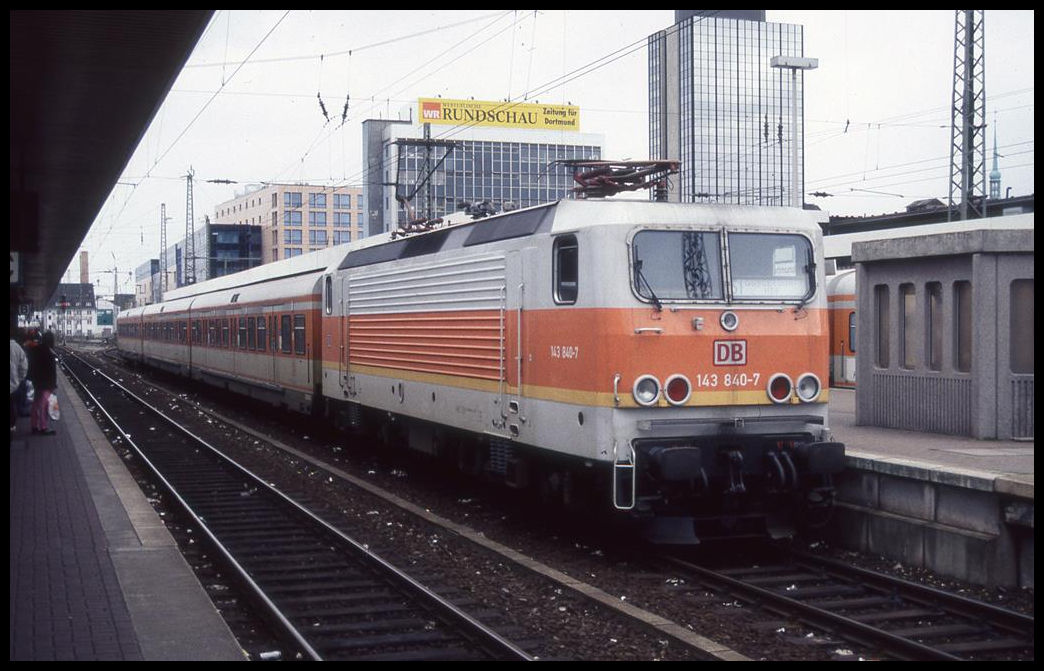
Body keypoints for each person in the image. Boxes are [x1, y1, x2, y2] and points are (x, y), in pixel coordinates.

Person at [28, 331, 58, 436]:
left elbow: (31, 366)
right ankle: (43, 427)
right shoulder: (49, 352)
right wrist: (53, 385)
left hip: (37, 382)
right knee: (43, 405)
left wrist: (31, 378)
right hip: (46, 383)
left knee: (36, 404)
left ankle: (34, 426)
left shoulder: (36, 350)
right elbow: (51, 371)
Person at [10, 327, 29, 434]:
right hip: (13, 384)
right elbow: (24, 366)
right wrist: (20, 379)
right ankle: (12, 426)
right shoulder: (16, 347)